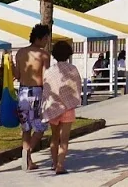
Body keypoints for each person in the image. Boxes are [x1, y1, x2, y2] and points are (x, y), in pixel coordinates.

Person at [12, 23, 53, 171]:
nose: (47, 41)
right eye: (46, 38)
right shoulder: (43, 55)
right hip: (36, 91)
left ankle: (28, 161)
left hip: (22, 91)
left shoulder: (21, 53)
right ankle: (27, 152)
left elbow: (16, 75)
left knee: (26, 127)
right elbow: (46, 77)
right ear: (41, 38)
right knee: (41, 126)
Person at [44, 40, 83, 176]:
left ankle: (54, 163)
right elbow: (77, 86)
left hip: (53, 107)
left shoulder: (49, 71)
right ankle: (60, 165)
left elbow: (47, 90)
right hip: (68, 108)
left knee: (54, 137)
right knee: (64, 138)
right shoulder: (72, 69)